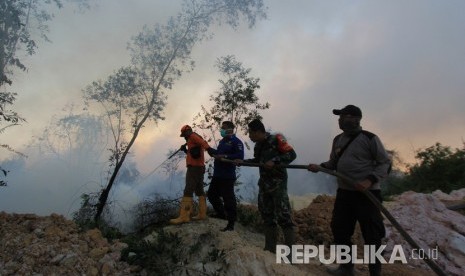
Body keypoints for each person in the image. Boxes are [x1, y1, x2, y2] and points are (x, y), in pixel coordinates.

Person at [308, 105, 391, 276]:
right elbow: (333, 163)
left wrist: (369, 181)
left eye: (344, 116)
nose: (340, 120)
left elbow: (385, 163)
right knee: (340, 229)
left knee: (372, 235)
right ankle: (346, 268)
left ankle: (375, 272)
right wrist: (320, 167)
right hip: (345, 193)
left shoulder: (370, 138)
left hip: (367, 195)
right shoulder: (338, 139)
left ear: (356, 119)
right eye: (339, 117)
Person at [236, 119, 296, 252]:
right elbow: (257, 161)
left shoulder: (277, 139)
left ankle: (291, 253)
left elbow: (291, 154)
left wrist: (275, 160)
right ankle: (270, 249)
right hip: (264, 184)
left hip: (278, 184)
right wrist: (243, 162)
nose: (250, 136)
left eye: (251, 133)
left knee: (284, 216)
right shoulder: (258, 145)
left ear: (258, 132)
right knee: (267, 215)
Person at [170, 125, 214, 224]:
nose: (184, 137)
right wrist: (185, 150)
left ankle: (184, 216)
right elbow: (193, 154)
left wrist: (209, 149)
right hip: (199, 167)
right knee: (199, 190)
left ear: (188, 131)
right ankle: (202, 214)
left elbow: (203, 143)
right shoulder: (192, 138)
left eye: (184, 134)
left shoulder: (193, 136)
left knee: (188, 190)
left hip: (194, 168)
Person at [207, 121, 244, 231]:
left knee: (228, 199)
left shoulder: (236, 142)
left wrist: (225, 156)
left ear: (230, 129)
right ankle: (221, 214)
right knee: (212, 195)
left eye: (223, 128)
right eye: (221, 128)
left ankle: (231, 223)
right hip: (217, 174)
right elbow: (218, 153)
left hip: (227, 176)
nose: (221, 130)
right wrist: (210, 150)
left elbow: (239, 155)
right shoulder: (222, 141)